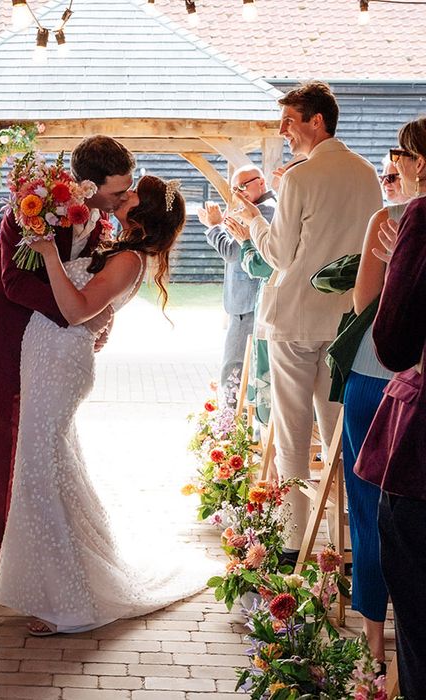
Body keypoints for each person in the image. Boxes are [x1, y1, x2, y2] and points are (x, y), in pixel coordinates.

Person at [0, 176, 212, 635]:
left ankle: (72, 605)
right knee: (49, 469)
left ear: (143, 211)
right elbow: (89, 308)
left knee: (42, 472)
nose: (121, 197)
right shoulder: (120, 249)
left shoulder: (130, 259)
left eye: (130, 195)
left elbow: (75, 310)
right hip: (46, 357)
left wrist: (51, 255)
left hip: (60, 364)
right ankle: (55, 587)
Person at [0, 135, 135, 579]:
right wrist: (79, 317)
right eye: (117, 191)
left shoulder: (98, 220)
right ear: (86, 185)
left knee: (39, 452)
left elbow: (91, 282)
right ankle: (2, 558)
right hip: (5, 345)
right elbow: (13, 283)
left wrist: (101, 317)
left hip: (49, 353)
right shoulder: (30, 210)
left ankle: (37, 551)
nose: (122, 199)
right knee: (3, 452)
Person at [232, 81, 381, 559]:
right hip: (344, 325)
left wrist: (253, 219)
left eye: (289, 122)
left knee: (293, 435)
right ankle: (345, 545)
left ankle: (292, 548)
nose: (284, 131)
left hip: (295, 319)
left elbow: (277, 253)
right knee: (338, 438)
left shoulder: (298, 178)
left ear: (317, 121)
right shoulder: (366, 175)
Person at [355, 117, 426, 696]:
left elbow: (393, 341)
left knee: (421, 621)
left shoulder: (418, 218)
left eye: (401, 156)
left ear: (419, 163)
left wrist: (399, 259)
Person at [198, 165, 276, 404]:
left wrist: (214, 226)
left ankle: (232, 423)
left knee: (235, 368)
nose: (239, 193)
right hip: (245, 303)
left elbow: (233, 252)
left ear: (261, 182)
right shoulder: (258, 209)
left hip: (248, 304)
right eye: (235, 189)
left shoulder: (265, 211)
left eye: (243, 186)